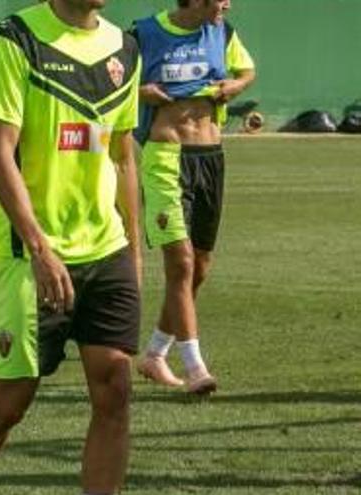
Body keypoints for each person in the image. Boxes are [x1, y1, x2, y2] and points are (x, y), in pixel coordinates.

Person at [0, 1, 142, 494]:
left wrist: (133, 251)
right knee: (9, 403)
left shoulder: (125, 49)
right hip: (27, 255)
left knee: (115, 390)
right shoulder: (13, 41)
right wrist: (39, 247)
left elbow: (122, 156)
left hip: (105, 249)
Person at [131, 0, 255, 394]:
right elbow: (107, 82)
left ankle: (154, 355)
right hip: (166, 158)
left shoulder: (223, 31)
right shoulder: (142, 35)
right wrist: (139, 92)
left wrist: (234, 86)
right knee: (181, 264)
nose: (228, 4)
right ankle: (196, 367)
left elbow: (247, 71)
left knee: (199, 267)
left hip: (211, 157)